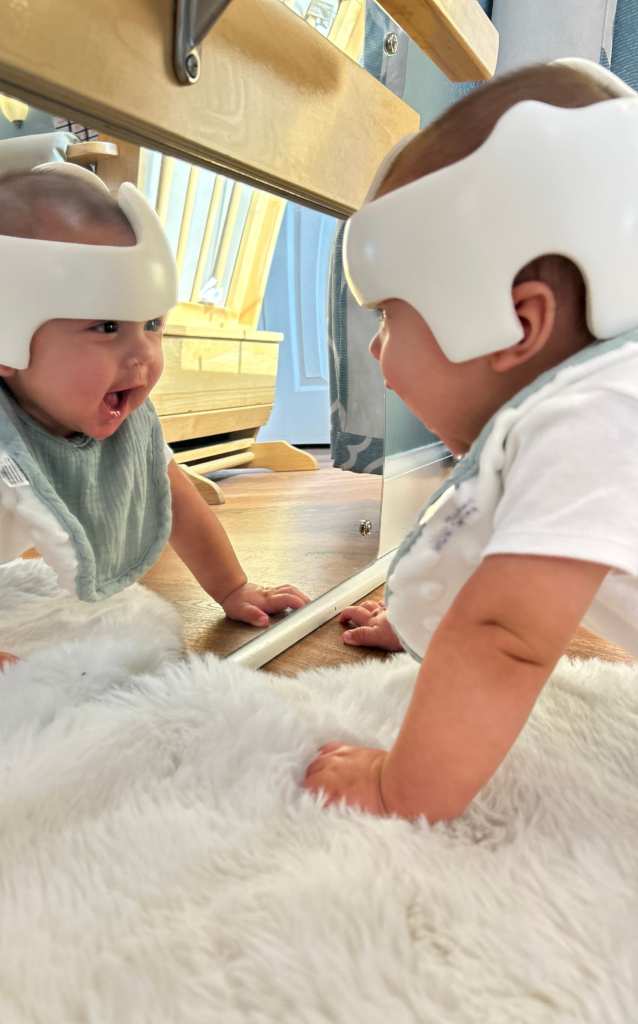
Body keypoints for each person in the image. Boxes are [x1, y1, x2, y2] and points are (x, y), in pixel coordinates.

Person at [302, 60, 638, 823]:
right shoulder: (596, 402)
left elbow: (506, 634)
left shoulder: (592, 415)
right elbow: (504, 568)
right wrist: (425, 614)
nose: (377, 350)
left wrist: (398, 787)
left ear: (514, 323)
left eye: (390, 316)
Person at [0, 164, 308, 681]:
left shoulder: (113, 405)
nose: (144, 353)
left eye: (152, 323)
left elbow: (176, 500)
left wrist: (233, 588)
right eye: (106, 326)